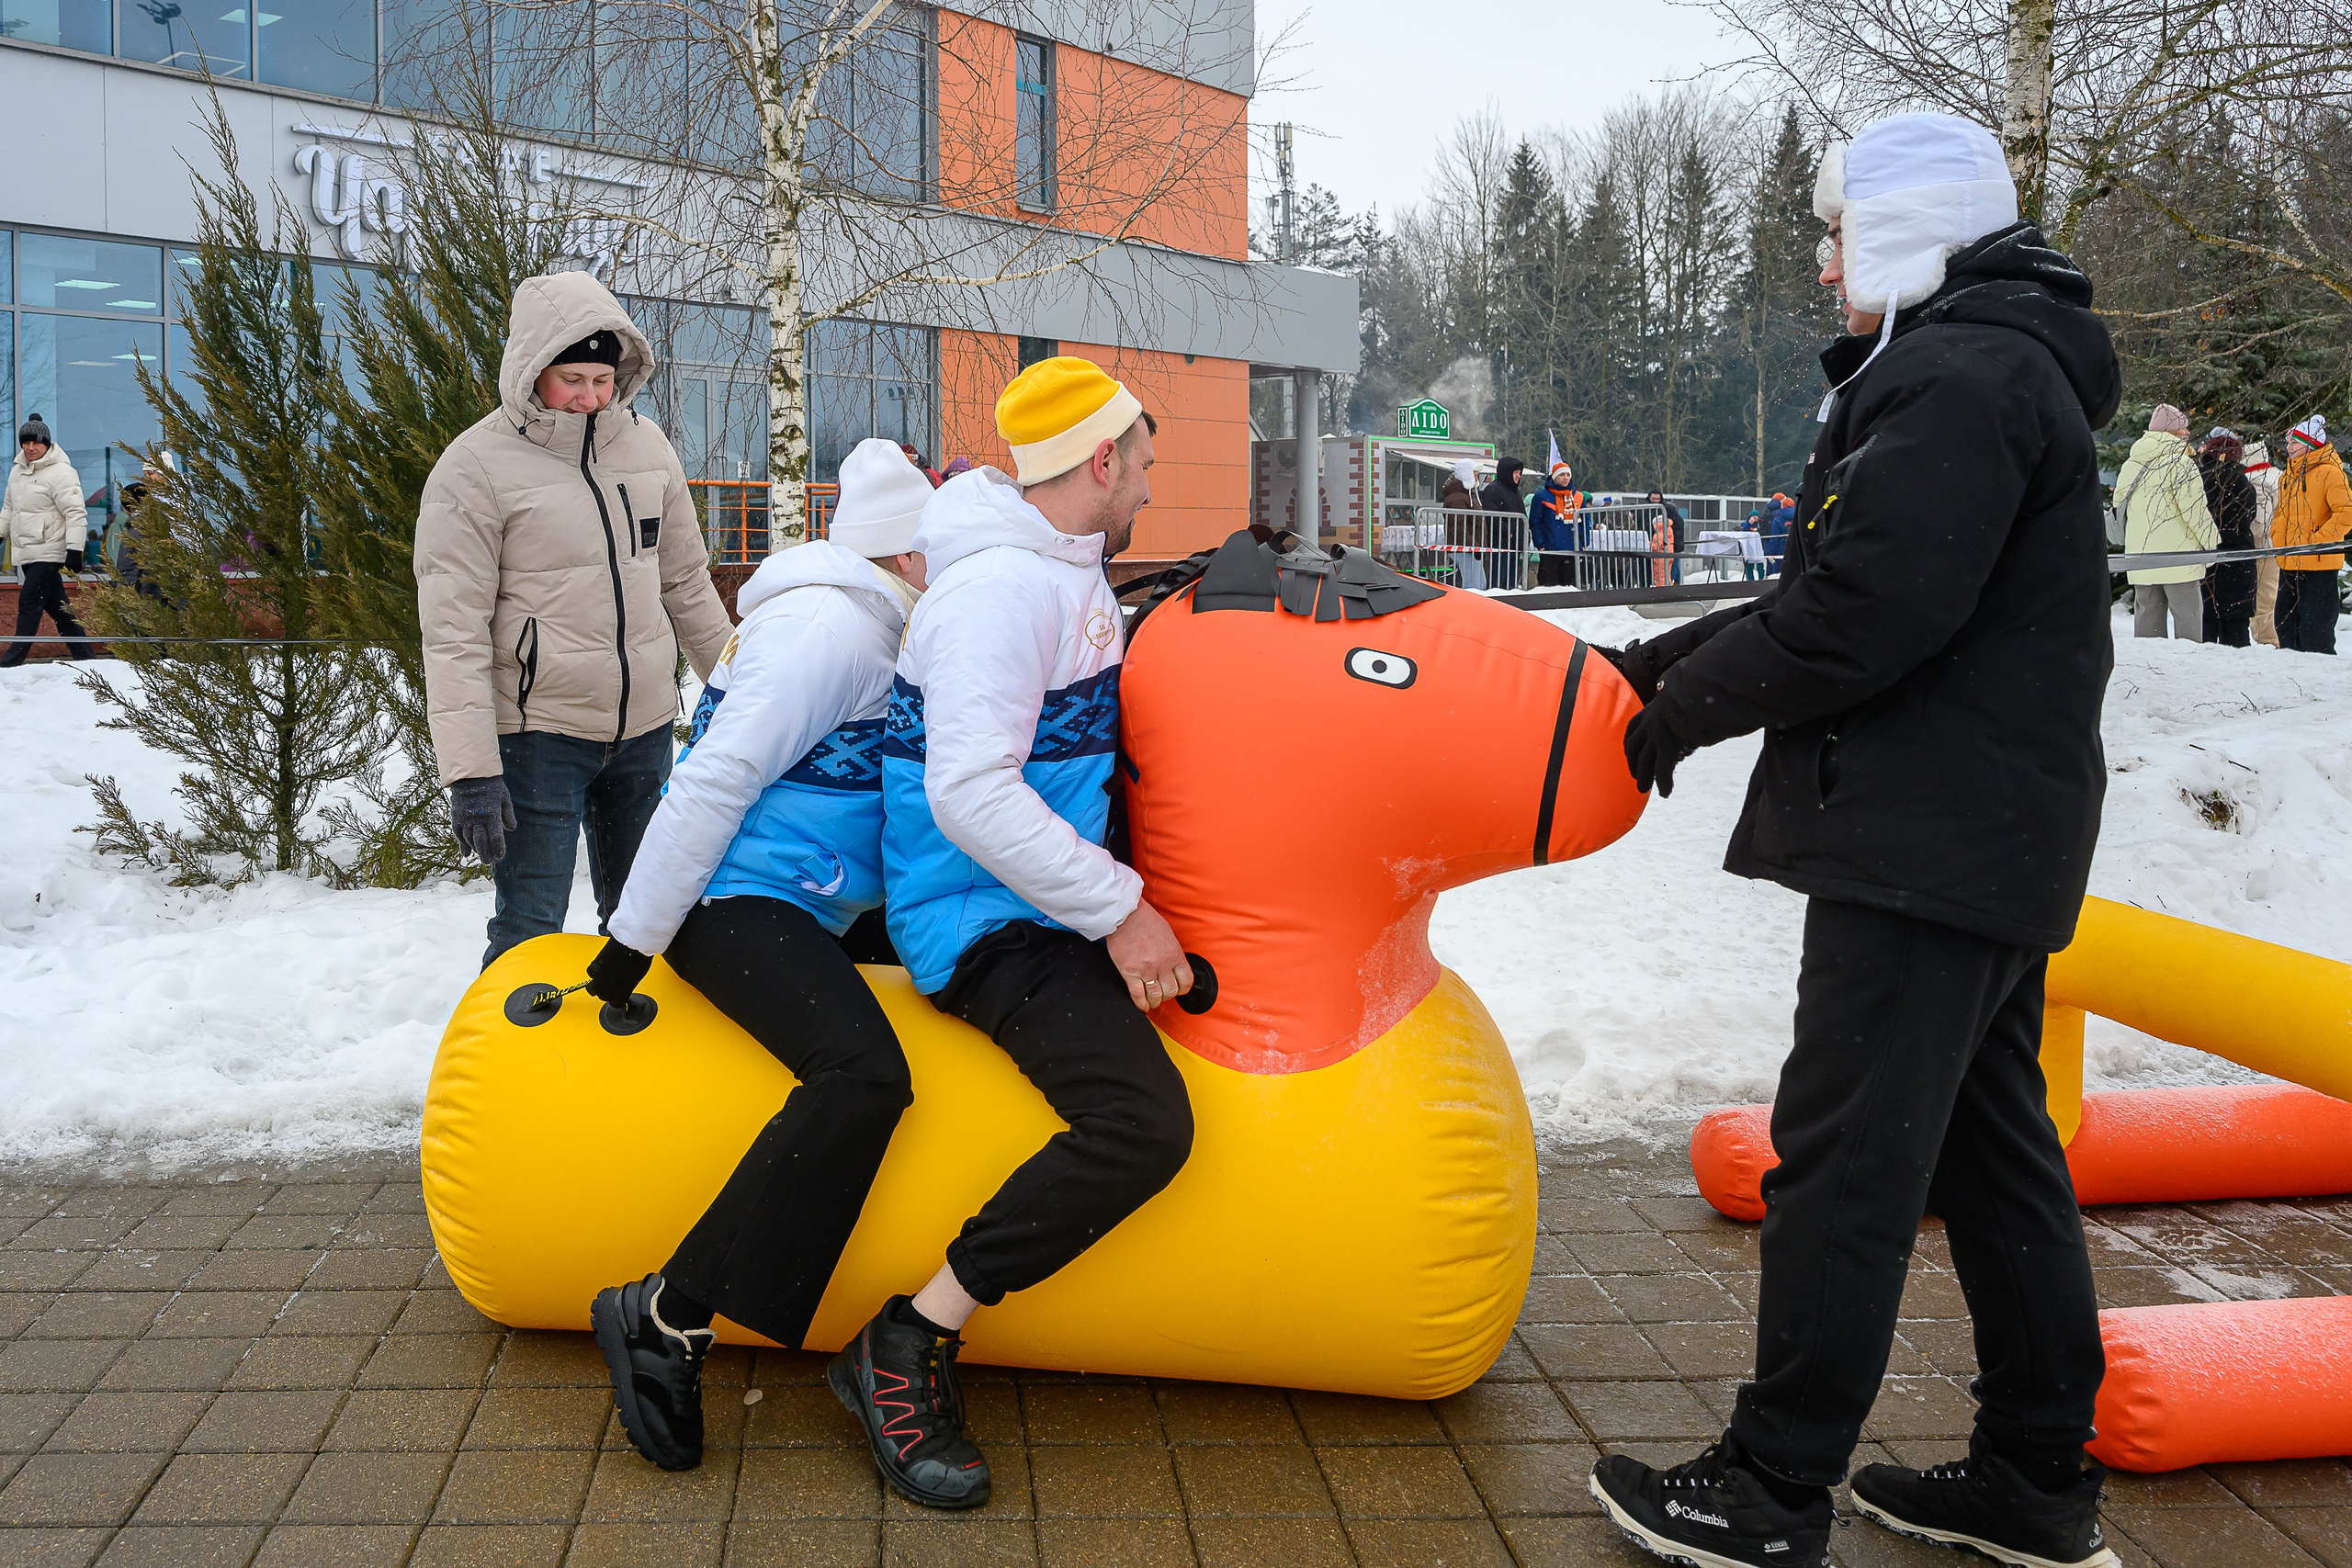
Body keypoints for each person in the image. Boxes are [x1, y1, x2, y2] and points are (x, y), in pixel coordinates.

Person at [1587, 113, 2121, 1568]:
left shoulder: (1957, 376)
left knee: (1843, 1158)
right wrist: (1646, 664)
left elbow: (1862, 617)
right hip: (1983, 830)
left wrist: (1667, 715)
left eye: (1838, 235)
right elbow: (1838, 583)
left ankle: (1769, 1487)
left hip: (1929, 841)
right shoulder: (1986, 364)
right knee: (1992, 1149)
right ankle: (2032, 1474)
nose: (1825, 263)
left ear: (1904, 230)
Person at [841, 356, 1194, 1509]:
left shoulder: (1061, 564)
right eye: (1141, 462)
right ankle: (907, 1340)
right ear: (1099, 460)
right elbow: (970, 797)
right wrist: (1124, 912)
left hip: (1045, 898)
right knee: (1144, 1126)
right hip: (978, 918)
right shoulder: (999, 591)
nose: (1147, 481)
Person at [577, 437, 930, 1473]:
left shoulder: (878, 621)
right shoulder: (824, 629)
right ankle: (666, 1316)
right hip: (733, 901)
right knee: (863, 1077)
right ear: (907, 556)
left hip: (819, 896)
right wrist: (630, 941)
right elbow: (714, 781)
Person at [415, 272, 735, 966]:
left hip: (645, 730)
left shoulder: (649, 450)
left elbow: (685, 583)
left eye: (602, 379)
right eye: (574, 380)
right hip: (538, 740)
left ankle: (632, 1058)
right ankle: (505, 1074)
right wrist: (471, 771)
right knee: (530, 929)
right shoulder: (473, 468)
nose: (592, 397)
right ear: (534, 372)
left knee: (649, 920)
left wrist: (741, 692)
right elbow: (453, 632)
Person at [1, 415, 97, 668]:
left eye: (36, 442)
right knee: (61, 611)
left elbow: (75, 513)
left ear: (47, 444)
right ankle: (87, 658)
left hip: (48, 552)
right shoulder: (16, 471)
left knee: (29, 604)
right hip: (27, 553)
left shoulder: (61, 473)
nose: (30, 447)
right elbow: (9, 508)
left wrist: (74, 550)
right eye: (26, 442)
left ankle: (11, 662)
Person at [2115, 403, 2214, 640]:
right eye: (2183, 429)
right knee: (2187, 621)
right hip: (2179, 557)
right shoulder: (2181, 463)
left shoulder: (2131, 464)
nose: (2188, 433)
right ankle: (2188, 671)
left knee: (2148, 624)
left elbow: (2120, 508)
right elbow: (2194, 510)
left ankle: (2153, 673)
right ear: (2173, 432)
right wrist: (2211, 545)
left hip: (2141, 557)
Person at [2272, 414, 2350, 656]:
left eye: (2293, 444)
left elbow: (2347, 512)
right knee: (2284, 627)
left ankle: (2322, 684)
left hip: (2318, 565)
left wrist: (2318, 541)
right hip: (2289, 562)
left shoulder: (2330, 473)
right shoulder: (2287, 475)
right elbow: (2281, 514)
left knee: (2316, 633)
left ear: (2309, 445)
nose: (2288, 448)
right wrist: (2278, 538)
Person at [2197, 433, 2258, 648]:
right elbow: (2249, 513)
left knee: (2206, 627)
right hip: (2238, 557)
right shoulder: (2240, 481)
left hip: (2206, 557)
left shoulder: (2200, 478)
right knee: (2236, 630)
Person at [2245, 439, 2281, 646]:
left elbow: (2260, 523)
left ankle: (2269, 641)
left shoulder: (2258, 484)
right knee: (2267, 596)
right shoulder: (2275, 478)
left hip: (2261, 548)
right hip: (2273, 547)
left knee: (2263, 599)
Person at [1527, 462, 1582, 586]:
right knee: (1548, 589)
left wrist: (1583, 545)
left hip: (1572, 550)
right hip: (1550, 551)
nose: (1566, 478)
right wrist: (1541, 545)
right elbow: (1535, 523)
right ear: (1554, 476)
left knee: (1569, 589)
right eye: (1562, 474)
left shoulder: (1578, 497)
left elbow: (1585, 523)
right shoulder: (1541, 497)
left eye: (1568, 474)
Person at [1478, 457, 1529, 588]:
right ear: (1507, 472)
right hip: (1501, 543)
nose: (1519, 476)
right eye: (1516, 472)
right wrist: (1509, 531)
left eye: (1519, 473)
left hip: (1514, 544)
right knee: (1498, 579)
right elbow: (1491, 516)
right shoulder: (1493, 489)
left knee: (1511, 581)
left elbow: (1521, 515)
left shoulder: (1514, 492)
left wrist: (1525, 535)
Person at [1441, 460, 1486, 590]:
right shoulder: (1458, 498)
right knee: (1474, 587)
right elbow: (1459, 528)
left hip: (1470, 548)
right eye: (1474, 476)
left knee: (1479, 584)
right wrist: (1474, 547)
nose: (1477, 479)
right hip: (1465, 549)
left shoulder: (1466, 495)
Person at [1645, 490, 1687, 585]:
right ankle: (1673, 583)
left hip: (1670, 544)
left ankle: (1673, 584)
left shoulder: (1667, 509)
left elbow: (1679, 523)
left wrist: (1672, 538)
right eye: (1653, 499)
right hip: (1659, 543)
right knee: (1666, 567)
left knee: (1671, 566)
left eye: (1657, 499)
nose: (1655, 501)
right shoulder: (1647, 509)